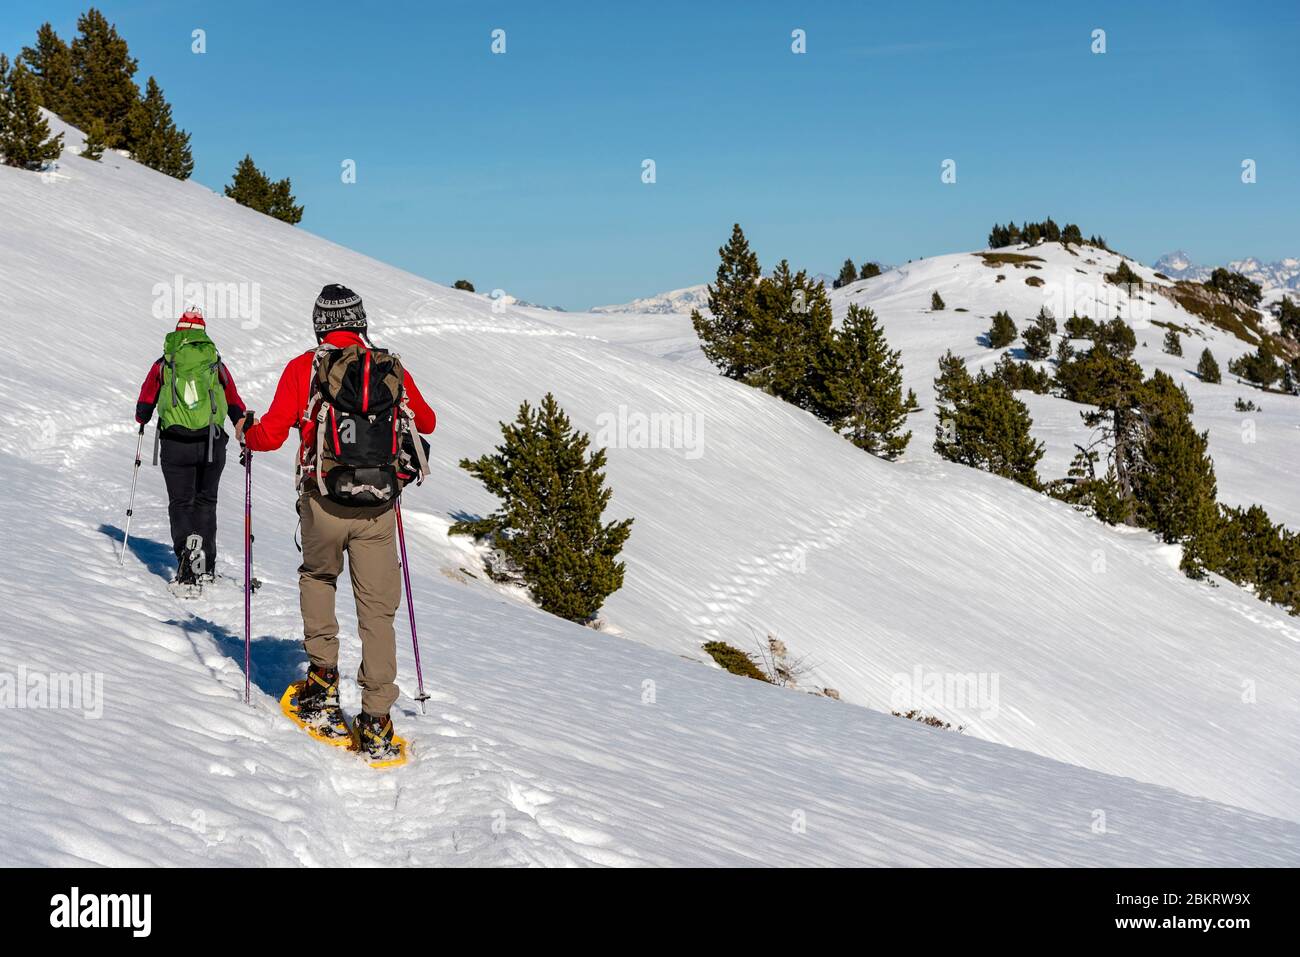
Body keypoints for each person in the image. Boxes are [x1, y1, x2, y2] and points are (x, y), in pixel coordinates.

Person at [239, 284, 436, 758]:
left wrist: (247, 431)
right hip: (379, 506)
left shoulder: (305, 368)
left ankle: (322, 683)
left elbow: (268, 433)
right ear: (361, 322)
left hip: (323, 500)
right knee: (377, 609)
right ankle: (376, 719)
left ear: (320, 326)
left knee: (319, 577)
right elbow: (425, 423)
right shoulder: (390, 369)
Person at [135, 308, 247, 587]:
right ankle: (206, 565)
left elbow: (144, 405)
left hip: (174, 444)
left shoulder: (164, 364)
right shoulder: (215, 363)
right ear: (202, 332)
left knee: (181, 503)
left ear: (178, 331)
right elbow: (234, 402)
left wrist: (143, 418)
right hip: (211, 443)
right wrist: (241, 425)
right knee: (206, 502)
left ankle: (186, 561)